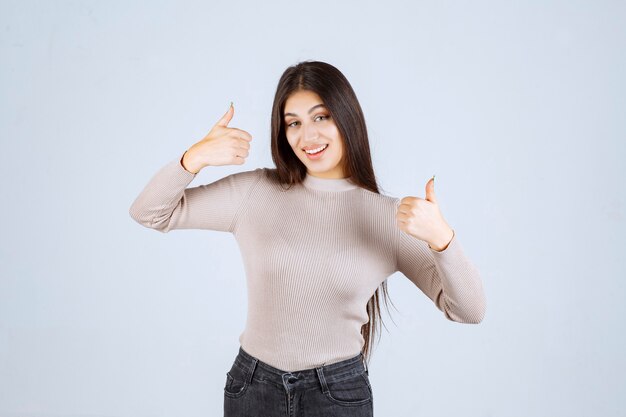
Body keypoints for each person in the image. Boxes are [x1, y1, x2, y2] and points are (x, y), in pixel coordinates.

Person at [129, 60, 486, 417]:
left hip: (337, 394)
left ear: (346, 118)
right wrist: (194, 158)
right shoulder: (256, 191)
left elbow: (468, 310)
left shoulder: (387, 218)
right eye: (293, 123)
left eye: (321, 117)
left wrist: (443, 240)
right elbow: (150, 212)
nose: (308, 136)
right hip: (253, 388)